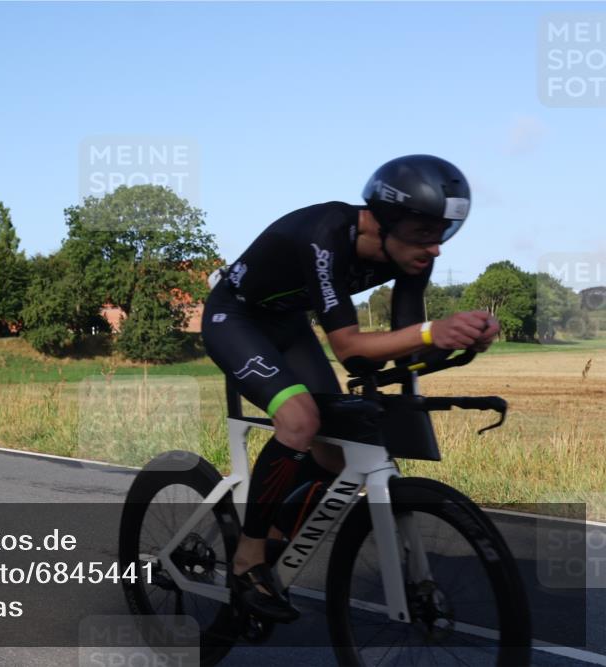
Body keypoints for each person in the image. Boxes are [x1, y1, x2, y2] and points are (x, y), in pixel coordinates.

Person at [200, 154, 500, 622]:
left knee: (334, 453)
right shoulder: (326, 236)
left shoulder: (413, 258)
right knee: (300, 420)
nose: (436, 248)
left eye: (443, 233)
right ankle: (247, 559)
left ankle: (277, 537)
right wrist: (430, 332)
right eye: (425, 232)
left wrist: (460, 341)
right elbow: (349, 348)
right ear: (384, 221)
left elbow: (404, 346)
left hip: (289, 325)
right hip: (234, 317)